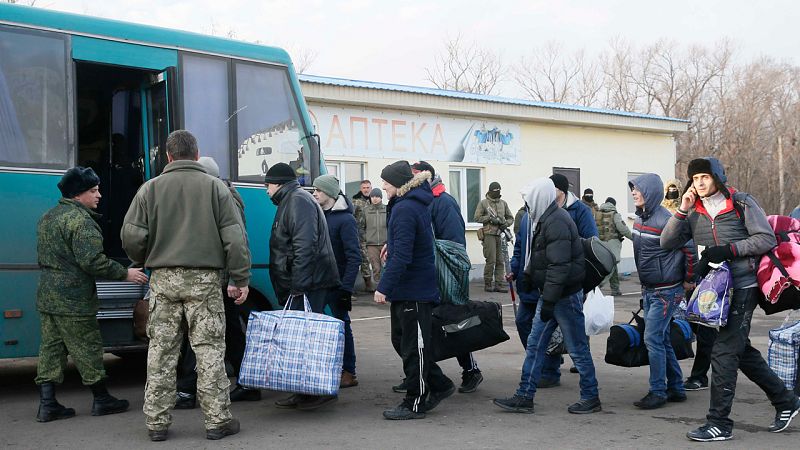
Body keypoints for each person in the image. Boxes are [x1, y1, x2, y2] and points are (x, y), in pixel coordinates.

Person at [122, 130, 250, 442]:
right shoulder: (215, 188)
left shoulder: (149, 189)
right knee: (208, 350)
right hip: (205, 280)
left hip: (163, 279)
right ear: (196, 155)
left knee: (162, 350)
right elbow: (234, 237)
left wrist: (140, 259)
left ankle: (156, 423)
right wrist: (240, 278)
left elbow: (132, 236)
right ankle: (217, 421)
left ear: (168, 156)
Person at [661, 156, 800, 441]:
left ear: (717, 177)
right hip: (717, 292)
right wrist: (681, 210)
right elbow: (667, 242)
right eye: (695, 178)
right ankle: (786, 402)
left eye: (705, 177)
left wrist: (727, 250)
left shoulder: (742, 203)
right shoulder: (694, 210)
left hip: (744, 287)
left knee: (723, 353)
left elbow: (765, 239)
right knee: (741, 351)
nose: (699, 183)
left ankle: (719, 423)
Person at [34, 166, 147, 423]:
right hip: (73, 300)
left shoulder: (48, 217)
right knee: (88, 348)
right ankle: (101, 399)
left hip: (48, 296)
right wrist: (125, 274)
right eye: (93, 191)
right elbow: (92, 262)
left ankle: (47, 403)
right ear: (77, 194)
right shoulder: (81, 222)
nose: (99, 196)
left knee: (51, 349)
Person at [493, 177, 601, 415]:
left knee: (577, 348)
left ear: (539, 199)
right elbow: (540, 257)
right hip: (552, 295)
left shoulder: (557, 222)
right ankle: (524, 396)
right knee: (535, 345)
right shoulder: (545, 218)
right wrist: (529, 277)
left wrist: (549, 300)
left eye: (528, 200)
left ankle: (590, 396)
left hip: (564, 297)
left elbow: (559, 267)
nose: (526, 204)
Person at [174, 156, 258, 409]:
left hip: (219, 279)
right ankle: (248, 383)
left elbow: (238, 240)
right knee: (227, 330)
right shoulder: (217, 193)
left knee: (204, 331)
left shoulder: (225, 197)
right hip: (215, 278)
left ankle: (188, 389)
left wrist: (235, 278)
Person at [376, 161, 454, 420]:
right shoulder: (405, 205)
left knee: (414, 347)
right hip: (407, 289)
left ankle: (416, 400)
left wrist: (383, 287)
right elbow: (405, 243)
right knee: (402, 341)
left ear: (398, 184)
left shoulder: (406, 208)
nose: (383, 186)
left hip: (414, 290)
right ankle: (440, 385)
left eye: (386, 182)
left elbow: (404, 257)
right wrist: (392, 244)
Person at [265, 162, 341, 411]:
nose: (266, 191)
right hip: (304, 282)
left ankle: (317, 391)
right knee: (300, 340)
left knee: (307, 340)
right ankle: (303, 390)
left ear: (278, 184)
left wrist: (298, 284)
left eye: (268, 185)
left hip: (308, 283)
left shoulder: (297, 201)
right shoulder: (293, 200)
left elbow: (304, 246)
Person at [410, 161, 483, 394]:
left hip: (445, 274)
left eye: (413, 177)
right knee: (425, 326)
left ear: (426, 177)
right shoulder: (421, 201)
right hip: (426, 273)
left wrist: (443, 272)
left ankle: (471, 370)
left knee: (454, 322)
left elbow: (453, 245)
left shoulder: (443, 202)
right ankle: (420, 373)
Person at [629, 174, 696, 410]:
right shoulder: (639, 220)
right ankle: (676, 388)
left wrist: (689, 279)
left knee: (652, 339)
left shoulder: (666, 220)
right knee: (662, 338)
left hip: (666, 291)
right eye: (633, 189)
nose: (633, 193)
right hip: (650, 289)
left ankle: (658, 391)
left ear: (650, 192)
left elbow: (689, 249)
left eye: (637, 189)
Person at [539, 173, 598, 384]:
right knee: (548, 330)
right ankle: (549, 372)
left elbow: (592, 241)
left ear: (561, 192)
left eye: (551, 189)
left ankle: (588, 385)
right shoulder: (545, 209)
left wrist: (568, 248)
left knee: (574, 330)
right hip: (552, 280)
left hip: (574, 279)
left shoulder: (580, 210)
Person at [312, 175, 361, 389]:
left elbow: (354, 256)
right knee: (318, 328)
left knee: (342, 326)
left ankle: (348, 371)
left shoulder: (345, 220)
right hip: (318, 282)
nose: (314, 193)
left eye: (318, 190)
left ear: (330, 193)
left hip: (337, 284)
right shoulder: (317, 214)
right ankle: (325, 368)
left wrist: (346, 288)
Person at [474, 182, 514, 292]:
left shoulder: (503, 203)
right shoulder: (483, 203)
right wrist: (489, 219)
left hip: (501, 235)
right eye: (496, 191)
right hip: (489, 235)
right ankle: (488, 284)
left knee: (501, 261)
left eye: (499, 191)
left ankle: (499, 284)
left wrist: (506, 224)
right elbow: (477, 218)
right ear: (490, 191)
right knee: (491, 260)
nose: (498, 193)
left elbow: (510, 218)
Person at [596, 197, 632, 296]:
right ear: (613, 205)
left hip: (601, 243)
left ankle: (615, 289)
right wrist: (634, 238)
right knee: (610, 267)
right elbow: (622, 229)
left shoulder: (598, 214)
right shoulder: (615, 214)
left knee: (613, 266)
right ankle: (596, 286)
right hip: (612, 244)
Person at [352, 179, 374, 292]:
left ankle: (370, 284)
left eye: (368, 187)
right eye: (364, 188)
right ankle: (363, 284)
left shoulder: (374, 200)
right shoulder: (355, 201)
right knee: (361, 259)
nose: (366, 190)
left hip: (372, 234)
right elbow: (351, 217)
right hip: (358, 234)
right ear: (361, 189)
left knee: (370, 259)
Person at [363, 188, 387, 287]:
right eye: (372, 196)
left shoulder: (387, 209)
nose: (375, 199)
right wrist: (366, 238)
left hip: (385, 244)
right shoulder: (366, 211)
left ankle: (387, 289)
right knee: (376, 268)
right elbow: (362, 227)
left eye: (377, 196)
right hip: (371, 245)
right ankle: (378, 288)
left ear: (381, 197)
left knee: (386, 267)